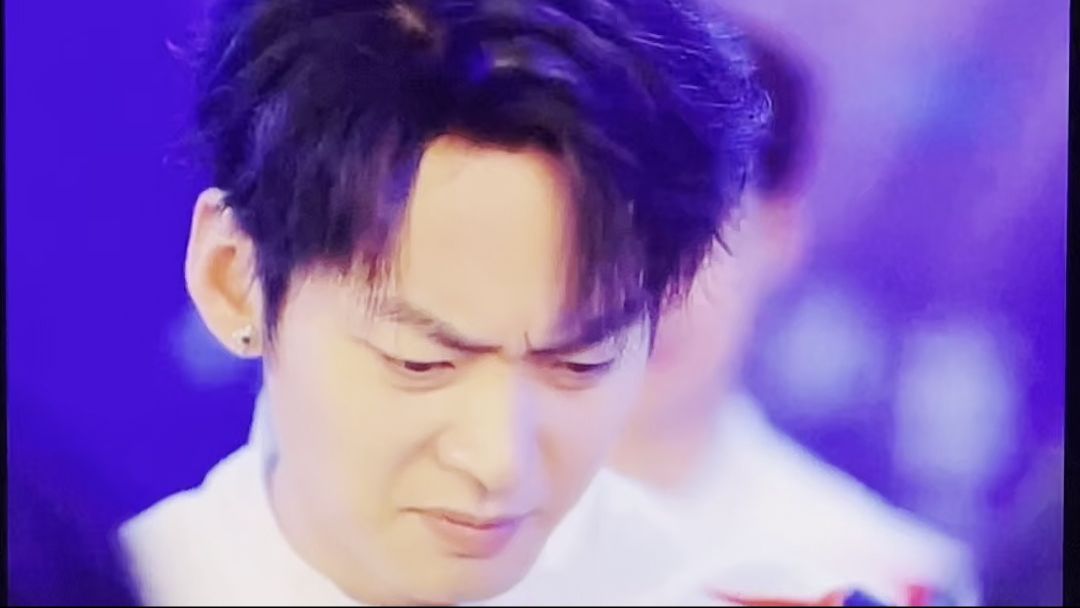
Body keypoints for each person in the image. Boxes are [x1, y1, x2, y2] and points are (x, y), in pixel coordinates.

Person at [118, 0, 768, 605]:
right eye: (420, 363)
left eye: (580, 364)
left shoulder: (688, 590)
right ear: (233, 279)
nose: (499, 463)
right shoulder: (130, 586)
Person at [609, 26, 981, 606]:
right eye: (613, 234)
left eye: (696, 241)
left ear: (779, 233)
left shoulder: (890, 577)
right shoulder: (465, 512)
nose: (652, 292)